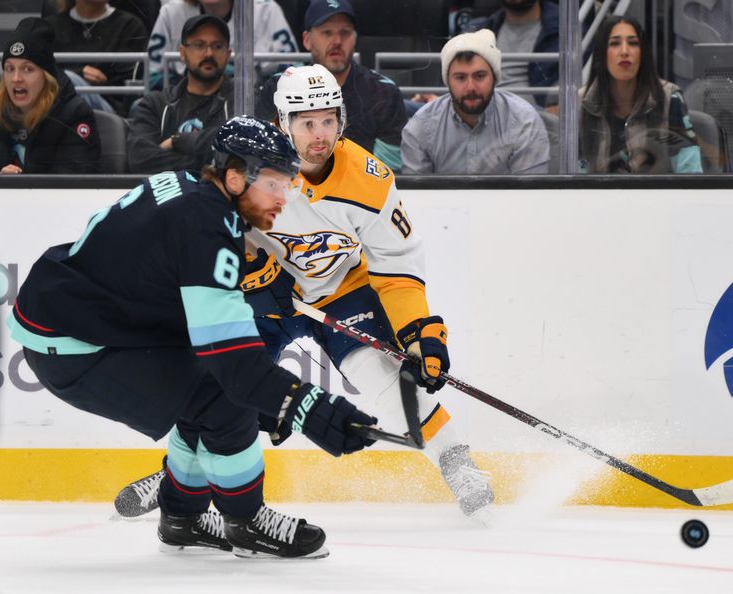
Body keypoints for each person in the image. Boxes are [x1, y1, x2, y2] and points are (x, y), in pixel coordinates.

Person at [116, 65, 495, 523]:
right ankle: (178, 474)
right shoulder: (253, 166)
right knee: (223, 387)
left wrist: (418, 331)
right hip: (267, 300)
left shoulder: (370, 181)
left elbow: (396, 267)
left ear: (342, 119)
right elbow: (211, 225)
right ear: (282, 122)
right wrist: (248, 269)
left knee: (385, 378)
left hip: (343, 293)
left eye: (329, 120)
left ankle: (458, 464)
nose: (320, 135)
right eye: (307, 123)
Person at [6, 115, 379, 558]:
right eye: (276, 185)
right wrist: (308, 408)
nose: (284, 199)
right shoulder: (208, 228)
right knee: (224, 399)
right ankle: (246, 519)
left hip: (74, 317)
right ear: (236, 177)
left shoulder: (185, 186)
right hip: (73, 346)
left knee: (213, 393)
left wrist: (270, 394)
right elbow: (234, 365)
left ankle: (181, 517)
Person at [256, 0, 407, 172]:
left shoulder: (384, 92)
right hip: (293, 191)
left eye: (345, 32)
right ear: (307, 40)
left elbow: (386, 171)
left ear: (355, 38)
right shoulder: (278, 86)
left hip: (359, 193)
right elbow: (267, 157)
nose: (337, 41)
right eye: (326, 32)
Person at [400, 28, 549, 175]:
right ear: (447, 81)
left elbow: (529, 195)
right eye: (460, 77)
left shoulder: (524, 121)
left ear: (494, 78)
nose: (470, 87)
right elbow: (417, 196)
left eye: (479, 76)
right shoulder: (420, 127)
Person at [578, 15, 703, 174]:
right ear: (602, 54)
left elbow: (690, 175)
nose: (625, 51)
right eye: (615, 43)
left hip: (657, 196)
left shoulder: (669, 99)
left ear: (642, 53)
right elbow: (574, 175)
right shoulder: (580, 103)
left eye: (633, 43)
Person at [127, 14, 233, 173]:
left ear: (228, 54)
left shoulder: (241, 101)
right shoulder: (156, 104)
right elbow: (140, 159)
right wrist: (208, 167)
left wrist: (178, 141)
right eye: (199, 45)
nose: (209, 53)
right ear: (182, 53)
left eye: (217, 46)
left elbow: (241, 150)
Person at [0, 17, 101, 175]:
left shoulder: (75, 115)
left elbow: (73, 184)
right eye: (9, 68)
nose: (16, 78)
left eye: (28, 69)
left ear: (46, 76)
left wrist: (16, 186)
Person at [147, 0, 297, 90]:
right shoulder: (171, 12)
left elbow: (294, 72)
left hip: (251, 102)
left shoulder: (265, 10)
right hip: (188, 103)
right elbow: (152, 78)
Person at [45, 0, 149, 116]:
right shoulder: (49, 27)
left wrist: (99, 84)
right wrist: (80, 74)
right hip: (57, 107)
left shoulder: (130, 26)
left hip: (110, 109)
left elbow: (130, 85)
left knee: (69, 79)